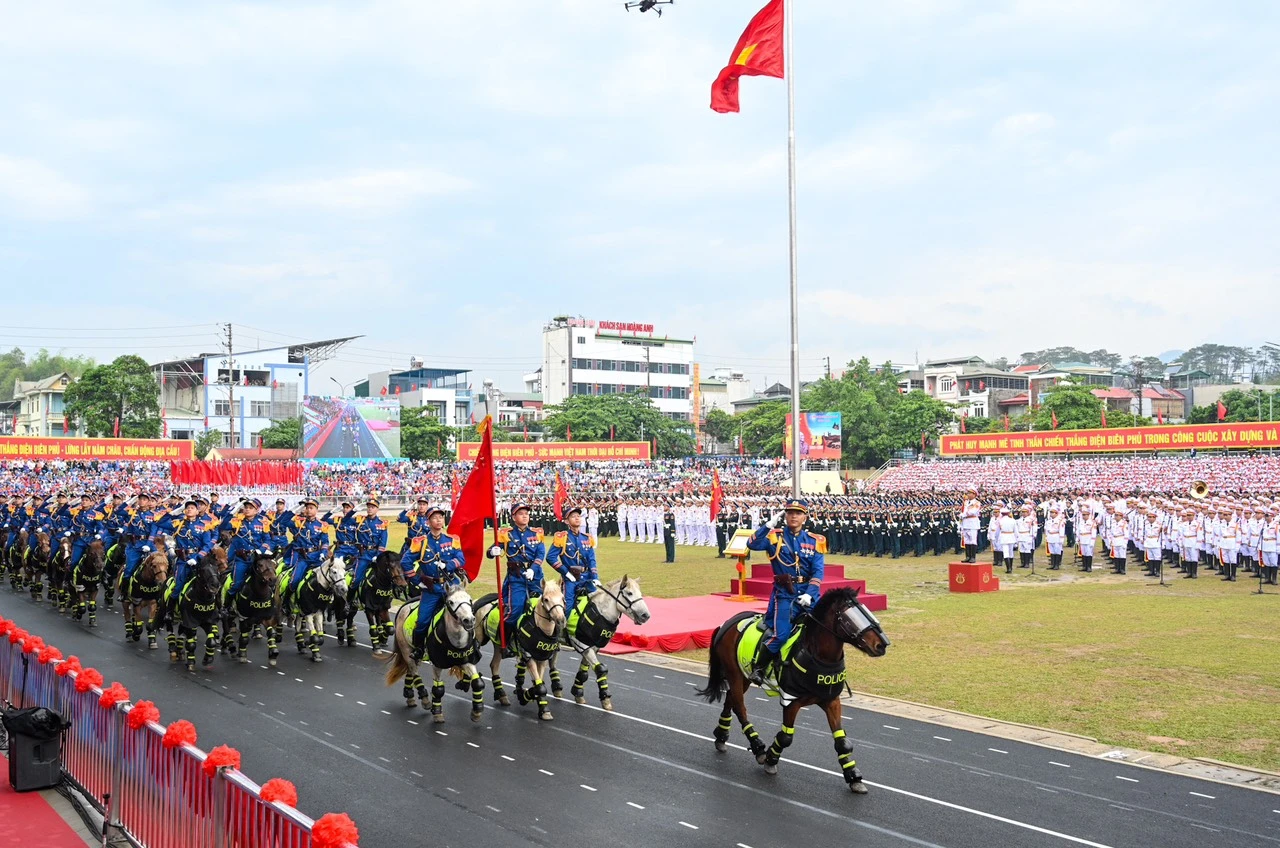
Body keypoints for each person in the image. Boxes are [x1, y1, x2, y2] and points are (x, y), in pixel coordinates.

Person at [745, 498, 824, 685]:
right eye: (790, 513)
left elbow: (818, 570)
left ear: (805, 517)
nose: (793, 516)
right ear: (785, 516)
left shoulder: (815, 541)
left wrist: (810, 593)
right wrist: (767, 526)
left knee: (826, 629)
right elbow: (751, 544)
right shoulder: (774, 537)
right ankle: (759, 668)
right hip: (785, 595)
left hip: (808, 593)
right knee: (781, 635)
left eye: (798, 513)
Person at [408, 505, 464, 661]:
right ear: (428, 521)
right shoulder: (420, 542)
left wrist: (449, 565)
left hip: (452, 586)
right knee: (422, 621)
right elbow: (406, 562)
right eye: (435, 517)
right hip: (431, 589)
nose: (439, 520)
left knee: (467, 614)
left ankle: (471, 646)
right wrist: (418, 581)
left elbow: (461, 559)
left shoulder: (453, 540)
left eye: (441, 517)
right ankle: (418, 649)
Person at [497, 502, 545, 653]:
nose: (525, 516)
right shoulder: (506, 534)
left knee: (549, 607)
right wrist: (494, 551)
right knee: (515, 610)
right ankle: (505, 641)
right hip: (516, 578)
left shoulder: (536, 533)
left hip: (535, 577)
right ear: (513, 517)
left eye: (526, 513)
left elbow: (540, 553)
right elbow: (492, 549)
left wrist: (533, 569)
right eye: (521, 513)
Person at [546, 505, 597, 616]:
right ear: (566, 521)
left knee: (597, 604)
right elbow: (550, 557)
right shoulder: (562, 537)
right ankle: (564, 631)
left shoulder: (586, 537)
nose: (577, 518)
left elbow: (592, 559)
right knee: (567, 607)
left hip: (587, 577)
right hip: (571, 578)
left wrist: (595, 577)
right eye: (573, 516)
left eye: (578, 516)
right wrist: (566, 572)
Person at [283, 498, 331, 609]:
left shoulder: (322, 525)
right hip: (303, 558)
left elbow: (325, 541)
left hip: (317, 557)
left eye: (311, 508)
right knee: (294, 581)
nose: (308, 510)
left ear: (316, 510)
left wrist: (323, 553)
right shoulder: (298, 522)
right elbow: (283, 522)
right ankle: (286, 603)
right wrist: (294, 510)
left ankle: (329, 605)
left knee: (329, 579)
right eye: (307, 508)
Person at [224, 499, 274, 598]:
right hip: (242, 559)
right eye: (246, 507)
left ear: (257, 510)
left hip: (257, 559)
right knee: (237, 584)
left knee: (270, 580)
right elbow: (223, 526)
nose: (247, 510)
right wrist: (232, 512)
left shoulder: (263, 522)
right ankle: (226, 606)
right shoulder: (237, 520)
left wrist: (261, 550)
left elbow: (267, 539)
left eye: (251, 508)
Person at [170, 500, 213, 600]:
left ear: (197, 512)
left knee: (210, 583)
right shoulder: (178, 524)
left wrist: (197, 557)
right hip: (182, 560)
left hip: (198, 560)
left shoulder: (204, 525)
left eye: (192, 508)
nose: (189, 509)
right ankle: (169, 612)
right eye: (187, 508)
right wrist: (174, 513)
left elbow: (207, 545)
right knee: (178, 586)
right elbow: (160, 522)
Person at [351, 498, 388, 597]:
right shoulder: (360, 520)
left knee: (386, 577)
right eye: (368, 507)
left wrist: (378, 556)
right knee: (356, 579)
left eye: (372, 507)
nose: (370, 509)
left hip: (376, 554)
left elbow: (383, 542)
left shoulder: (382, 523)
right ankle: (350, 601)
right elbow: (345, 521)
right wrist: (353, 511)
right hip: (364, 555)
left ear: (377, 509)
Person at [960, 487, 981, 562]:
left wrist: (964, 514)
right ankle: (968, 556)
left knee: (972, 540)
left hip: (972, 523)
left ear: (974, 494)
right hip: (965, 523)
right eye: (968, 493)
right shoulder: (965, 503)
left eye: (969, 493)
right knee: (967, 540)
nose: (968, 494)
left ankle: (973, 557)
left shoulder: (977, 503)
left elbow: (973, 511)